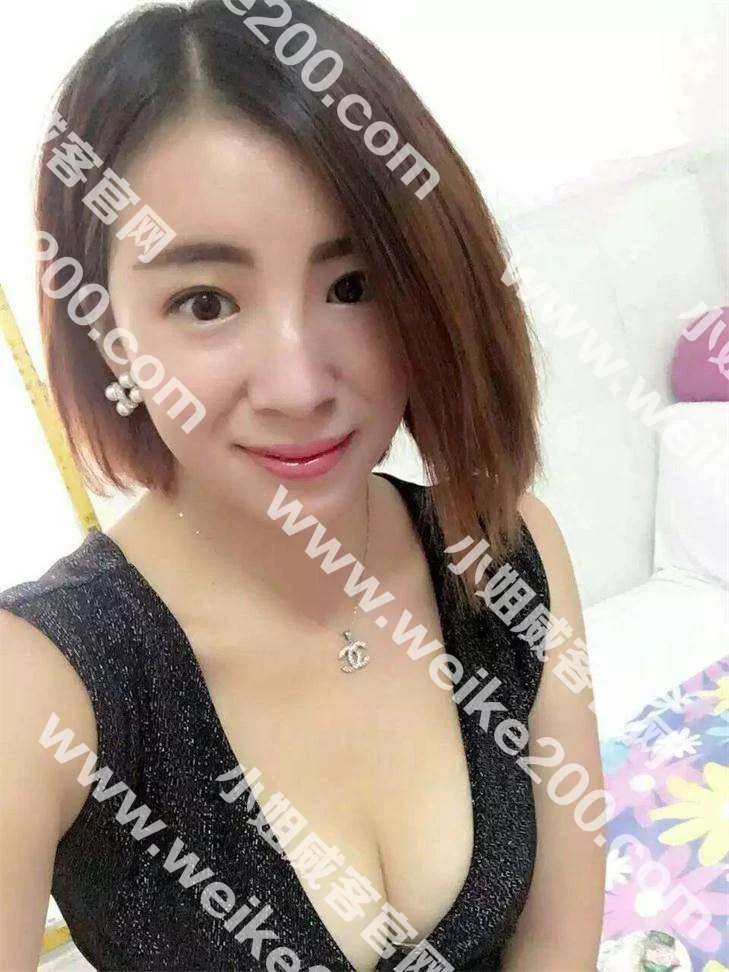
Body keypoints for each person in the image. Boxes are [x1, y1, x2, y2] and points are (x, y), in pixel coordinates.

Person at [0, 1, 606, 969]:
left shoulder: (503, 556)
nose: (298, 387)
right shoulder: (39, 683)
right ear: (109, 332)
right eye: (205, 301)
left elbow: (558, 945)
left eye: (353, 286)